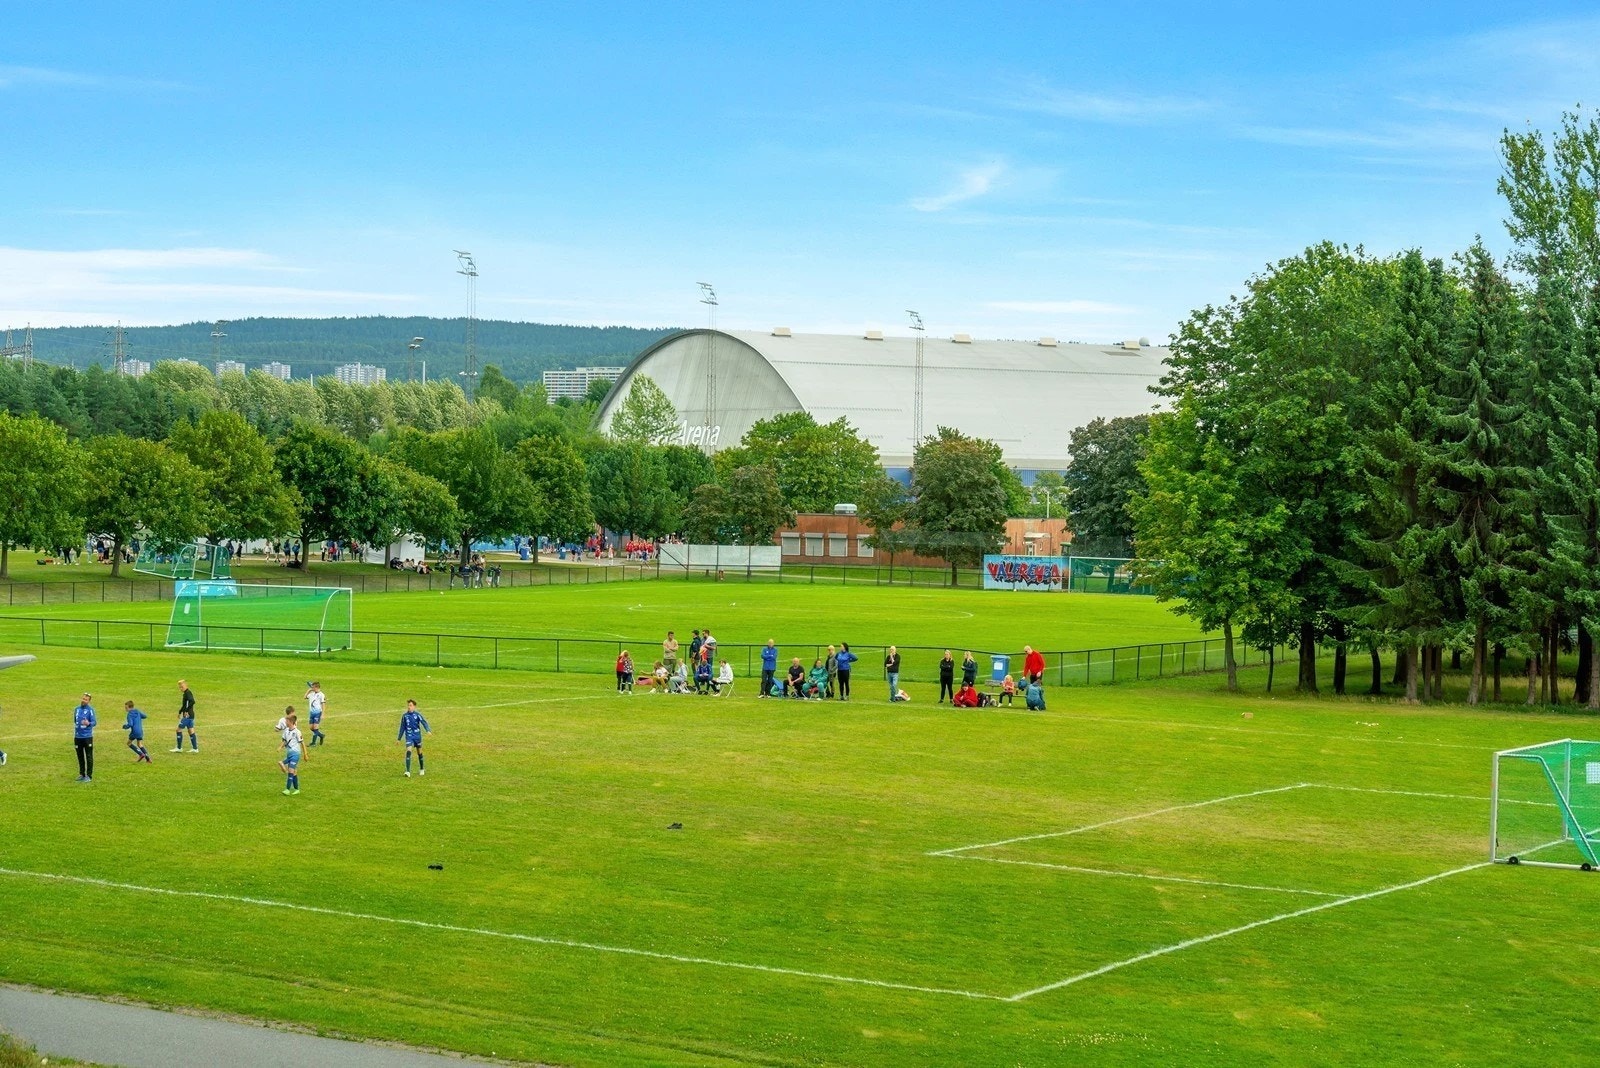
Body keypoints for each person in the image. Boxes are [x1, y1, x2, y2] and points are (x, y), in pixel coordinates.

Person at [398, 699, 431, 777]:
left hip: (417, 736)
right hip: (409, 736)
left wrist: (428, 730)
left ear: (414, 707)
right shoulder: (405, 716)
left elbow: (424, 722)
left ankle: (422, 769)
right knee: (409, 751)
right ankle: (408, 771)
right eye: (408, 705)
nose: (409, 707)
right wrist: (399, 738)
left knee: (419, 752)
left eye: (410, 705)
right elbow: (402, 727)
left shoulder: (417, 715)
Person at [278, 708, 304, 794]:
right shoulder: (286, 731)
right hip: (289, 753)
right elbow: (284, 741)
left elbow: (302, 743)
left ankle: (287, 790)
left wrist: (305, 754)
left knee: (290, 771)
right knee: (294, 772)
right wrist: (280, 747)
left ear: (291, 722)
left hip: (296, 754)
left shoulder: (297, 732)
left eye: (287, 721)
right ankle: (297, 789)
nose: (285, 722)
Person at [173, 679, 198, 753]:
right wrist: (180, 712)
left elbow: (192, 701)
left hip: (188, 716)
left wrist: (186, 711)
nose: (181, 688)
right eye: (180, 687)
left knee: (178, 730)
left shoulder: (188, 693)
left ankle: (179, 748)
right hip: (190, 715)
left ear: (186, 685)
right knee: (191, 730)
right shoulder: (185, 693)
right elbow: (184, 705)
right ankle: (195, 748)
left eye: (182, 686)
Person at [306, 681, 327, 746]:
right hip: (312, 713)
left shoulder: (321, 695)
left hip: (318, 713)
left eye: (313, 687)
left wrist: (323, 714)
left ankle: (313, 743)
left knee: (315, 727)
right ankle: (321, 735)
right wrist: (309, 690)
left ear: (317, 687)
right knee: (311, 728)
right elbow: (305, 697)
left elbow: (323, 704)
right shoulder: (312, 693)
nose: (312, 688)